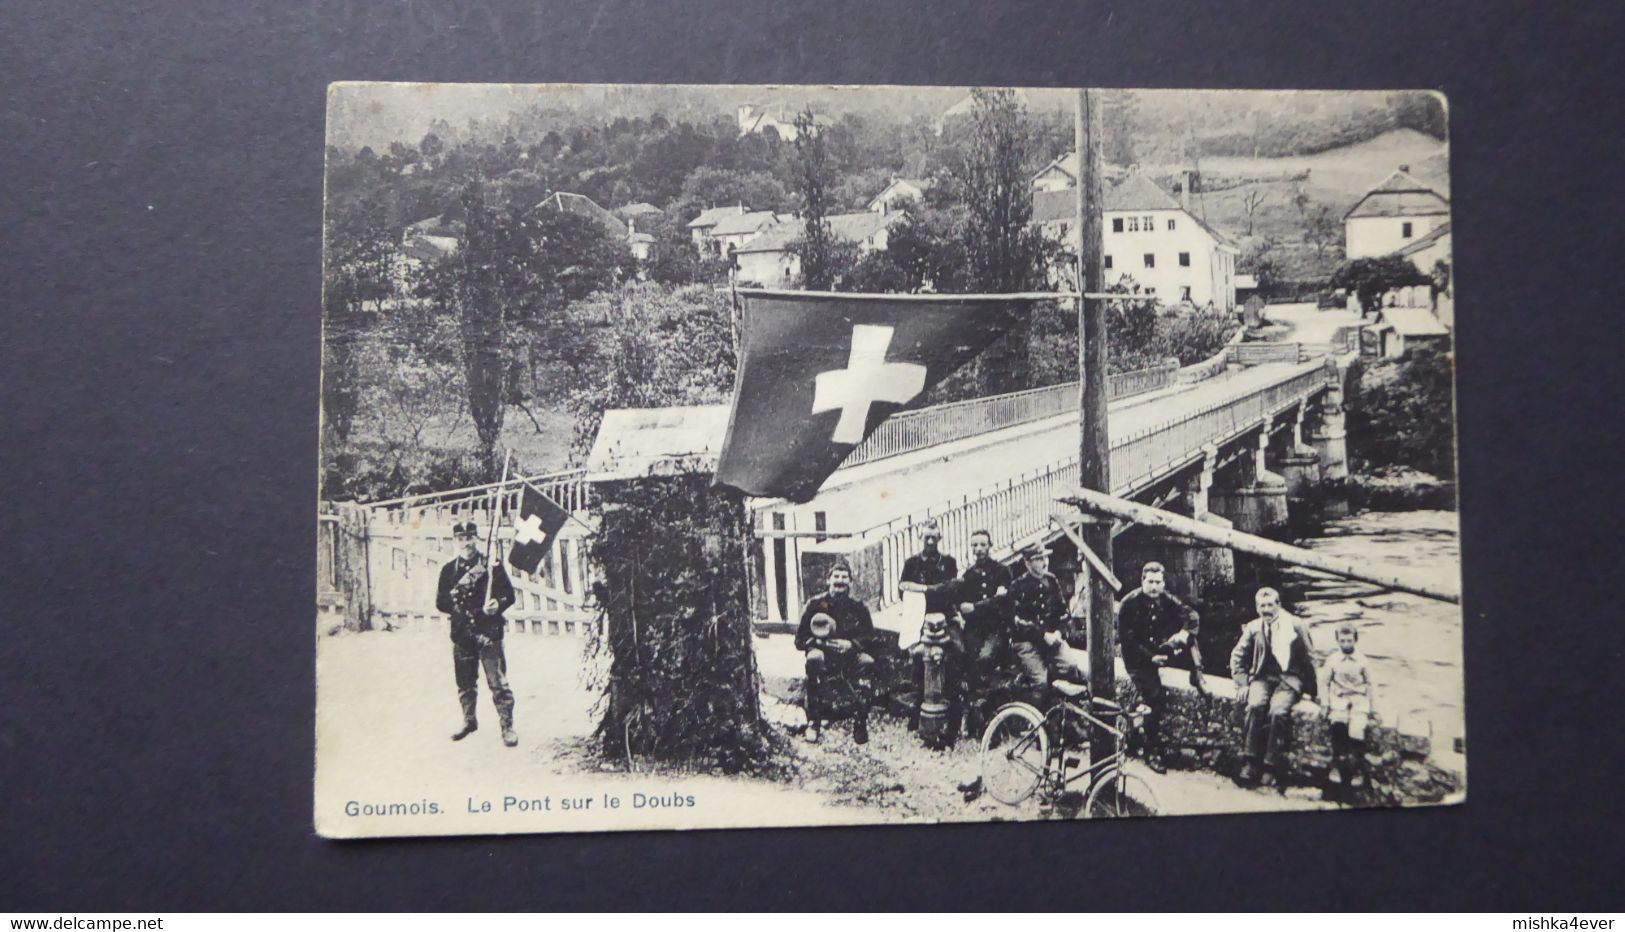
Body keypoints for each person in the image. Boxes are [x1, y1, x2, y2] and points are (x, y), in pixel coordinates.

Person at [435, 521, 518, 747]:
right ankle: (469, 721)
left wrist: (496, 605)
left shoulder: (491, 566)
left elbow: (509, 596)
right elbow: (440, 602)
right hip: (462, 634)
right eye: (461, 538)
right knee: (465, 682)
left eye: (470, 537)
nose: (466, 543)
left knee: (498, 683)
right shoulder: (448, 571)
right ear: (455, 541)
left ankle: (507, 726)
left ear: (476, 539)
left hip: (488, 633)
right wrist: (459, 606)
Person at [1116, 561, 1203, 773]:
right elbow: (1128, 641)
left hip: (1159, 649)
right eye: (1150, 582)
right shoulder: (1129, 604)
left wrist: (1183, 633)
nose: (1154, 587)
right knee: (1155, 696)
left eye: (1158, 582)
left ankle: (1198, 674)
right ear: (1142, 582)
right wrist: (1151, 658)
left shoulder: (1166, 600)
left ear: (1163, 583)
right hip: (1138, 658)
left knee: (1190, 640)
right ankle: (1150, 748)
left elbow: (1191, 615)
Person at [1229, 587, 1320, 787]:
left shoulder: (1296, 625)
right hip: (1262, 678)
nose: (1267, 609)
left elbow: (1310, 659)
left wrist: (1315, 691)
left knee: (1278, 712)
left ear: (1279, 605)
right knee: (1254, 706)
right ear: (1257, 607)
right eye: (1262, 605)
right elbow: (1237, 656)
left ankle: (1270, 765)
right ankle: (1250, 761)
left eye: (1271, 605)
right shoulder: (1254, 627)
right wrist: (1242, 683)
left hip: (1289, 679)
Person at [795, 562, 879, 745]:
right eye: (836, 576)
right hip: (824, 655)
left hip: (849, 656)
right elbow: (800, 640)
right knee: (813, 659)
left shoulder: (858, 607)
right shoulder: (815, 605)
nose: (839, 581)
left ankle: (860, 721)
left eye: (844, 577)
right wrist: (821, 643)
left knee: (867, 662)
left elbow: (870, 636)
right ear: (828, 580)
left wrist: (852, 645)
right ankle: (813, 722)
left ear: (850, 582)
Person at [955, 529, 1012, 720]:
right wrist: (987, 604)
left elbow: (1002, 603)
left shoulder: (1002, 572)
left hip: (996, 630)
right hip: (974, 630)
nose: (978, 549)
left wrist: (976, 607)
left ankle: (988, 712)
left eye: (982, 545)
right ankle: (976, 716)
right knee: (967, 660)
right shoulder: (968, 576)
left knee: (986, 658)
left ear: (990, 546)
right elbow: (962, 607)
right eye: (975, 545)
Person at [1005, 543, 1069, 709]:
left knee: (1070, 668)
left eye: (1045, 557)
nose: (1045, 562)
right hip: (1027, 643)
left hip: (1052, 639)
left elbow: (1064, 613)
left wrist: (1058, 633)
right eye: (1039, 559)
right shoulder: (1017, 587)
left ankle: (1064, 714)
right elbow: (1018, 623)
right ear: (1027, 563)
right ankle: (1037, 722)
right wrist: (1042, 635)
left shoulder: (1052, 581)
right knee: (1040, 681)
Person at [1322, 621, 1377, 794]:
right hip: (1339, 699)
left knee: (1356, 730)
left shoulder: (1362, 661)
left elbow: (1371, 685)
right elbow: (1323, 682)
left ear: (1355, 640)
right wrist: (1325, 703)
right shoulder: (1332, 660)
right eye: (1342, 641)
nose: (1346, 644)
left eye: (1349, 640)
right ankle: (1336, 766)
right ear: (1338, 641)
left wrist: (1374, 708)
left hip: (1359, 700)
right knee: (1337, 725)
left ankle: (1357, 770)